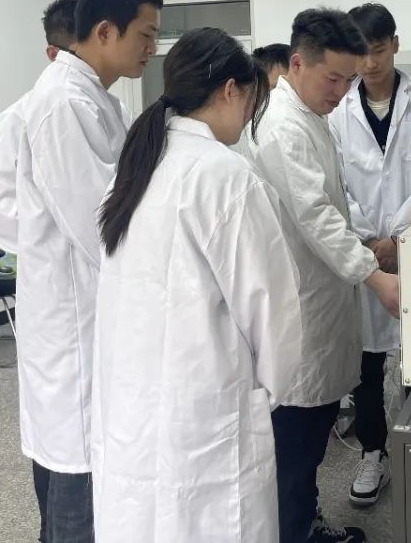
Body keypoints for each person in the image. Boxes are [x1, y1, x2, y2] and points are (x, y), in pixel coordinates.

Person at [92, 27, 304, 543]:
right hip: (209, 409)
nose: (249, 117)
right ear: (231, 91)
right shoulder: (226, 175)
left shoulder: (137, 168)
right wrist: (269, 392)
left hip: (133, 406)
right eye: (252, 101)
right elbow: (272, 311)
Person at [16, 0, 162, 543]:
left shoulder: (98, 99)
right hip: (73, 320)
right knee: (76, 470)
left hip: (92, 310)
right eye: (145, 35)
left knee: (87, 464)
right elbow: (98, 223)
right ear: (105, 31)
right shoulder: (62, 103)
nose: (152, 48)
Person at [246, 8, 400, 543]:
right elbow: (315, 216)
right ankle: (293, 531)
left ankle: (306, 524)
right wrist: (375, 276)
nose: (341, 91)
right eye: (333, 78)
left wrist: (364, 246)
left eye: (348, 80)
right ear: (296, 64)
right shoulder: (282, 128)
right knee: (295, 444)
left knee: (311, 439)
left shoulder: (311, 117)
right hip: (299, 309)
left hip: (324, 298)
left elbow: (333, 202)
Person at [328, 3, 411, 507]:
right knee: (367, 361)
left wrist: (398, 238)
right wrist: (371, 241)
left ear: (394, 45)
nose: (369, 64)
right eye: (361, 54)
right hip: (363, 252)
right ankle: (373, 453)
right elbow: (337, 182)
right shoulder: (338, 113)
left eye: (378, 51)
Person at [0, 0, 77, 255]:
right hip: (50, 266)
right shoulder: (18, 119)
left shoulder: (114, 111)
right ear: (53, 55)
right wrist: (56, 244)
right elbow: (1, 213)